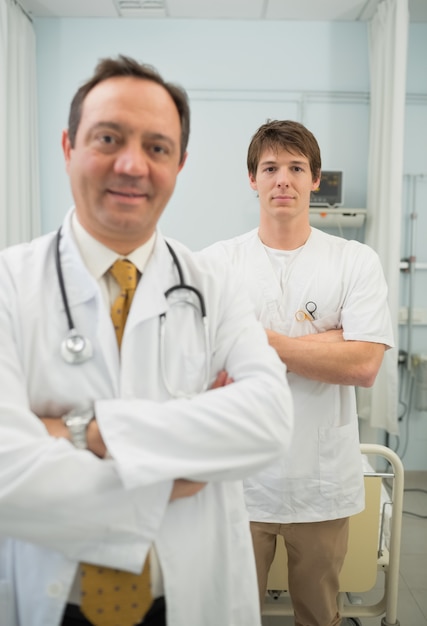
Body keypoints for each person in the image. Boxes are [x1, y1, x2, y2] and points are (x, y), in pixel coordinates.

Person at [0, 58, 294, 626]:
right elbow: (6, 473)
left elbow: (269, 419)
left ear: (180, 164)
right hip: (55, 598)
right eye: (108, 138)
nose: (132, 164)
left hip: (190, 596)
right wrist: (179, 468)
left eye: (158, 148)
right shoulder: (10, 284)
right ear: (68, 146)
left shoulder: (214, 282)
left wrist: (84, 430)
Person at [201, 120, 394, 626]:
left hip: (321, 478)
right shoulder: (215, 264)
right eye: (270, 168)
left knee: (319, 614)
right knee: (230, 614)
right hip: (238, 482)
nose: (282, 178)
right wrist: (332, 339)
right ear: (252, 179)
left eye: (295, 167)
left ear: (315, 179)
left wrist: (257, 341)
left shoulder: (354, 261)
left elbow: (365, 364)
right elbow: (201, 359)